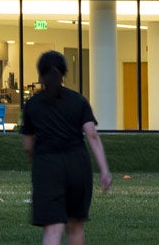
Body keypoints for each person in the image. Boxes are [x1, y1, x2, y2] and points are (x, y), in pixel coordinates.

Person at [23, 50, 113, 245]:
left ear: (40, 75)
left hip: (47, 167)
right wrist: (104, 170)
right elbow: (92, 135)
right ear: (64, 73)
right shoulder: (78, 100)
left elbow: (28, 144)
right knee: (75, 226)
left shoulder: (32, 105)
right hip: (77, 167)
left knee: (53, 229)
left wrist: (38, 162)